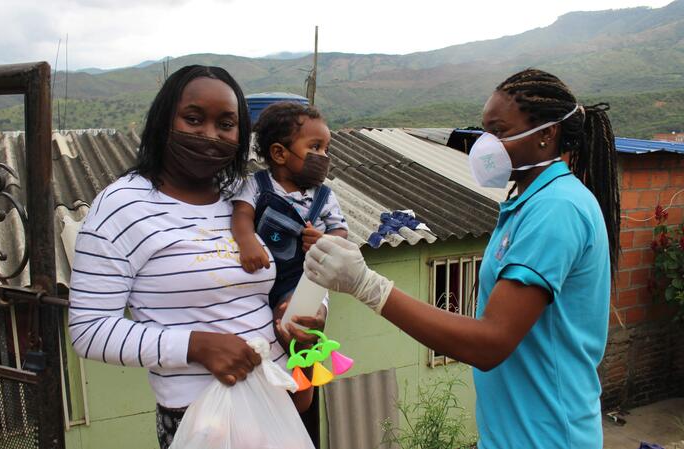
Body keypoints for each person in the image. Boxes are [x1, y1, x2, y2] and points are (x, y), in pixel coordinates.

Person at [303, 68, 620, 449]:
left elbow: (490, 342)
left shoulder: (557, 209)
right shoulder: (531, 203)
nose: (485, 144)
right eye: (484, 130)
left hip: (548, 438)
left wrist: (367, 285)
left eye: (499, 132)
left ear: (546, 136)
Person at [67, 65, 323, 449]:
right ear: (163, 121)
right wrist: (196, 346)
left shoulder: (246, 196)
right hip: (202, 417)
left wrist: (305, 312)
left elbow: (294, 274)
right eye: (193, 119)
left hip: (281, 395)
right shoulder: (123, 206)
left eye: (226, 124)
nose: (210, 134)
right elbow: (89, 330)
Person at [231, 102, 349, 316]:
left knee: (301, 316)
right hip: (259, 274)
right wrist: (246, 240)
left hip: (304, 279)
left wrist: (324, 240)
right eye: (315, 147)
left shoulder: (324, 196)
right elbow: (242, 213)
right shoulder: (256, 185)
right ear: (279, 153)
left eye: (326, 149)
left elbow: (340, 231)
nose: (323, 156)